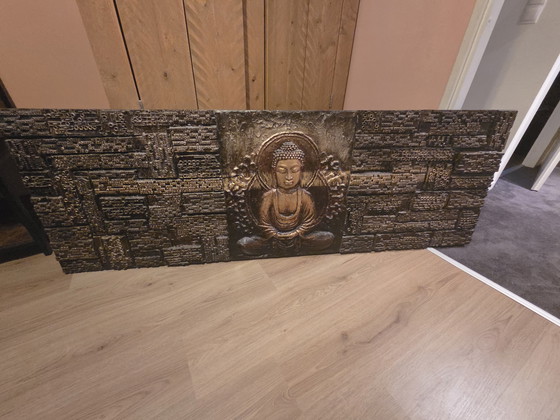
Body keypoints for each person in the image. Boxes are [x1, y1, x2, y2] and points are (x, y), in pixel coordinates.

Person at [238, 141, 333, 255]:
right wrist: (277, 235)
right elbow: (264, 224)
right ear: (274, 172)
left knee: (327, 237)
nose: (288, 177)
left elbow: (308, 223)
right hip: (273, 239)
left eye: (294, 170)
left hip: (299, 238)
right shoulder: (269, 196)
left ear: (301, 172)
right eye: (282, 171)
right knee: (245, 243)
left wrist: (294, 233)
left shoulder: (305, 196)